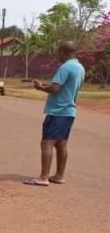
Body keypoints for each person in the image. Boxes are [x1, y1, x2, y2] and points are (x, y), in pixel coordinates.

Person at [24, 41, 85, 187]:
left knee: (47, 143)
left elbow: (55, 88)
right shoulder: (79, 67)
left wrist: (40, 88)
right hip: (69, 111)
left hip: (58, 110)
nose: (57, 55)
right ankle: (59, 176)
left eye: (58, 52)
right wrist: (48, 86)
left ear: (63, 52)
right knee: (61, 144)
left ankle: (43, 177)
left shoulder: (66, 67)